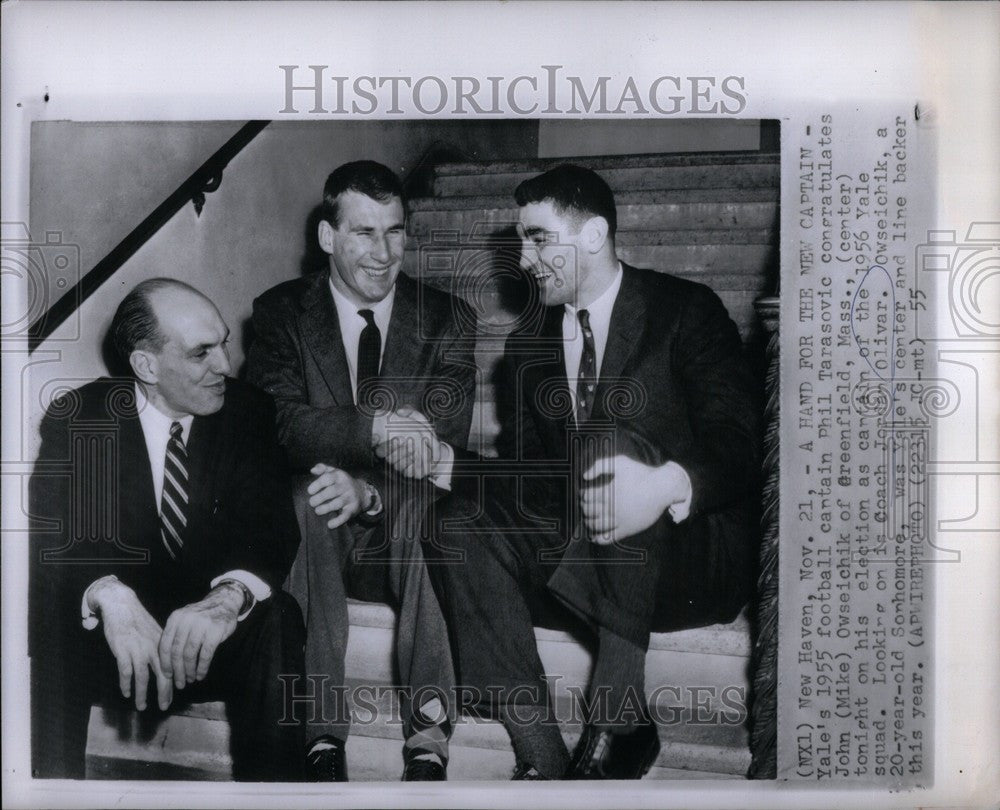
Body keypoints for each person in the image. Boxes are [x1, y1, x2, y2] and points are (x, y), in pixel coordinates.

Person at [426, 164, 760, 780]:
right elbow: (536, 483)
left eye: (537, 238)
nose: (523, 259)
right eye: (521, 241)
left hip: (688, 560)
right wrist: (453, 465)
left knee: (609, 437)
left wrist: (663, 485)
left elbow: (742, 446)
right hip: (582, 564)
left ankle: (617, 713)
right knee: (456, 517)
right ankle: (540, 753)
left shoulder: (685, 311)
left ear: (594, 234)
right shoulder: (529, 346)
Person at [246, 160, 476, 781]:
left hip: (403, 518)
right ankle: (320, 734)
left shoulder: (447, 319)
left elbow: (438, 443)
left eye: (395, 232)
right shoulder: (279, 315)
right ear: (327, 237)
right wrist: (373, 428)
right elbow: (277, 426)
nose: (383, 253)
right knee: (307, 498)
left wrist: (368, 489)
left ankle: (429, 733)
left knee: (435, 507)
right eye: (363, 233)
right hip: (320, 530)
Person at [29, 278, 306, 781]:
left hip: (207, 641)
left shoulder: (248, 412)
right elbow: (59, 537)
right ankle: (50, 789)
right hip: (116, 649)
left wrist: (228, 598)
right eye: (202, 352)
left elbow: (271, 531)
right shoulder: (83, 418)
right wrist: (108, 595)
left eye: (223, 342)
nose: (224, 364)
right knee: (55, 609)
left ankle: (278, 792)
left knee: (278, 616)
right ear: (146, 366)